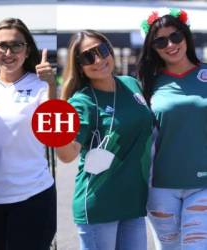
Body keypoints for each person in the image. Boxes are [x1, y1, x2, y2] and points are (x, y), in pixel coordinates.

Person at [56, 30, 153, 250]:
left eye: (102, 50)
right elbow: (67, 154)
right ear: (79, 66)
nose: (98, 60)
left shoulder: (131, 84)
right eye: (88, 57)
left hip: (133, 203)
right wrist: (55, 130)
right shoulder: (82, 101)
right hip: (99, 206)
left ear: (110, 50)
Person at [0, 18, 56, 250]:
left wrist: (52, 87)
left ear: (27, 51)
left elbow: (57, 134)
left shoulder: (41, 85)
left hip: (33, 195)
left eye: (16, 45)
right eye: (2, 46)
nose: (9, 52)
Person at [137, 8, 207, 250]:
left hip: (203, 185)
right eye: (160, 41)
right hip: (159, 189)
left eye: (175, 36)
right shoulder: (147, 84)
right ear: (152, 47)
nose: (170, 44)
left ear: (186, 36)